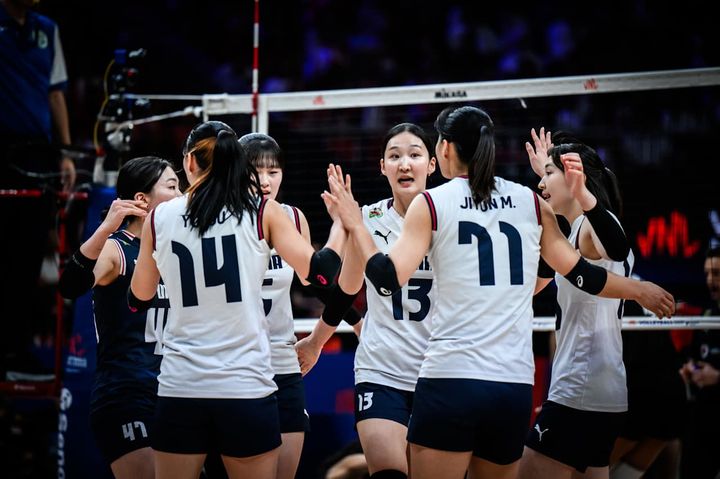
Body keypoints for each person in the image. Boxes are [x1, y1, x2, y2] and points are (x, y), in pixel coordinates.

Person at [324, 105, 675, 479]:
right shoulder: (530, 202)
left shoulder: (433, 202)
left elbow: (385, 278)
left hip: (452, 377)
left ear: (444, 149)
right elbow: (583, 275)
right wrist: (638, 290)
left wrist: (355, 225)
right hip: (512, 386)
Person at [129, 120, 344, 479]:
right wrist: (339, 225)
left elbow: (139, 299)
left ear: (189, 162)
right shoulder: (261, 211)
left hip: (181, 384)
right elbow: (320, 275)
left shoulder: (159, 217)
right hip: (245, 383)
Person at [297, 123, 437, 479]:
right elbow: (346, 289)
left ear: (433, 164)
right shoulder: (369, 220)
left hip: (440, 369)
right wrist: (316, 342)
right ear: (382, 166)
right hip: (381, 368)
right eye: (395, 156)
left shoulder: (450, 216)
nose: (405, 164)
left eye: (415, 155)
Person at [518, 128, 636, 478]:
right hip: (598, 390)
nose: (540, 183)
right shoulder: (573, 232)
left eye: (548, 174)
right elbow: (533, 286)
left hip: (581, 389)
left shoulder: (592, 225)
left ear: (575, 179)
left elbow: (616, 248)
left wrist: (580, 193)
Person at [57, 156, 180, 479]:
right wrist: (106, 228)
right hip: (126, 392)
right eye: (172, 187)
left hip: (174, 390)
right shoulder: (118, 249)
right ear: (142, 199)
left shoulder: (175, 250)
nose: (181, 195)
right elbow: (70, 286)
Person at [0, 0, 76, 377]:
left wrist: (64, 153)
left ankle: (16, 351)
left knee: (28, 256)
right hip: (3, 150)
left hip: (37, 156)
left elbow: (55, 94)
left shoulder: (47, 29)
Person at [240, 132, 312, 479]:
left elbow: (316, 279)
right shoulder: (223, 221)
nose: (265, 181)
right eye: (256, 171)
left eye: (274, 171)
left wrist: (344, 230)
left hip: (282, 361)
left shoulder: (294, 218)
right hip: (236, 361)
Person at [678, 246, 720, 479]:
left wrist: (719, 377)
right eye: (708, 274)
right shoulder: (706, 315)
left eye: (717, 274)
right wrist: (690, 370)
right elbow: (695, 357)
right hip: (705, 411)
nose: (711, 280)